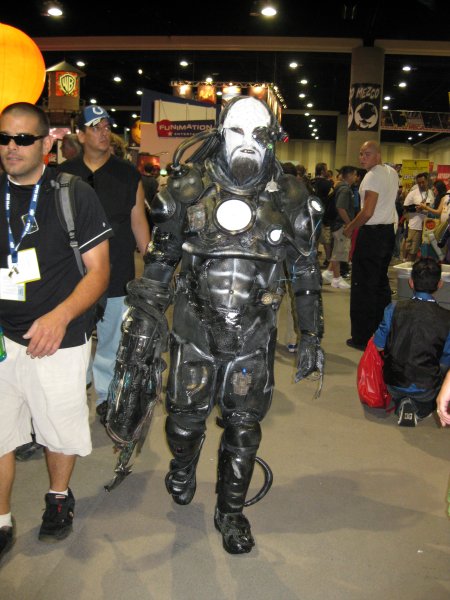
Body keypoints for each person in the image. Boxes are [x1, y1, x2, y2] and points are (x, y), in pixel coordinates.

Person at [105, 96, 325, 554]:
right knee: (184, 423)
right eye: (238, 131)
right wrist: (142, 321)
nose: (248, 142)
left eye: (259, 134)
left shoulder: (291, 198)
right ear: (221, 133)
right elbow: (161, 261)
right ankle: (183, 465)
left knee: (245, 427)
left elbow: (304, 270)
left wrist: (311, 334)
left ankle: (231, 512)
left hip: (254, 333)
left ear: (273, 140)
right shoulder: (187, 191)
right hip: (194, 330)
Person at [0, 102, 112, 560]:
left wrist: (60, 316)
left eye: (24, 139)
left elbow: (99, 271)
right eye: (4, 138)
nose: (12, 147)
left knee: (58, 429)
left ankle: (58, 498)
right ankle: (1, 518)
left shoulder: (72, 194)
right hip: (2, 340)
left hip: (58, 340)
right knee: (0, 434)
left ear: (47, 143)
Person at [58, 105, 151, 418]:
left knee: (112, 340)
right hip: (72, 276)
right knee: (74, 337)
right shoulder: (63, 175)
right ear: (81, 135)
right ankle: (77, 389)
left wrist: (151, 263)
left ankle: (105, 397)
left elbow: (138, 220)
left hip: (117, 273)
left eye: (106, 127)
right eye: (95, 127)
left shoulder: (127, 174)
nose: (103, 133)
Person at [374, 258, 450, 426]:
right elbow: (446, 358)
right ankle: (420, 407)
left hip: (393, 381)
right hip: (426, 387)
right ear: (440, 285)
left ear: (410, 282)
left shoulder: (393, 308)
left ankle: (402, 400)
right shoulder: (447, 318)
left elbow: (378, 344)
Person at [344, 140, 398, 351]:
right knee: (380, 285)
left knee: (363, 288)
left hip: (372, 236)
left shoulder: (372, 176)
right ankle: (382, 333)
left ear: (378, 155)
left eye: (367, 154)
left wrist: (350, 227)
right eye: (360, 153)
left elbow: (367, 212)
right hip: (387, 234)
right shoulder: (391, 172)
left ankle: (362, 337)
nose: (362, 158)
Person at [322, 166, 357, 289]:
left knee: (338, 250)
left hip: (337, 224)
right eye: (355, 175)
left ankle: (329, 272)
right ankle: (337, 279)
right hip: (341, 224)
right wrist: (349, 224)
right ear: (350, 175)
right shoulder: (345, 190)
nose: (356, 177)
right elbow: (341, 207)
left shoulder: (339, 187)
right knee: (339, 251)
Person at [402, 172, 433, 261]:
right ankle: (407, 263)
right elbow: (405, 208)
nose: (421, 184)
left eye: (423, 182)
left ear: (427, 181)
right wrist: (416, 208)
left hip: (429, 226)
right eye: (419, 183)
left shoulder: (431, 192)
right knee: (412, 248)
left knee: (425, 250)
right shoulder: (413, 193)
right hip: (415, 225)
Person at [311, 162, 334, 268]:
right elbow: (331, 199)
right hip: (324, 216)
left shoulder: (311, 183)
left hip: (312, 215)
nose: (327, 171)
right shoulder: (327, 184)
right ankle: (328, 260)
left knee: (314, 239)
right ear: (322, 171)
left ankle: (313, 261)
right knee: (326, 240)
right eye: (326, 169)